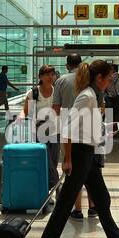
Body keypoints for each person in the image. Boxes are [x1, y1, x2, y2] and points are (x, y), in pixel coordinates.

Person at [33, 60, 119, 238]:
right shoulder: (87, 96)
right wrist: (68, 159)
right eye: (108, 79)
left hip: (87, 155)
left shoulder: (91, 96)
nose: (109, 83)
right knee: (63, 205)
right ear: (98, 78)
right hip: (79, 156)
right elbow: (68, 129)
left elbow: (85, 127)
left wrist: (106, 127)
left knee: (102, 199)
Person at [52, 53, 87, 219]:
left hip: (68, 129)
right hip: (88, 128)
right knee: (88, 166)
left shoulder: (61, 81)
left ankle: (76, 208)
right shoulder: (88, 79)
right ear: (80, 64)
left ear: (67, 65)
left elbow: (56, 108)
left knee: (69, 165)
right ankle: (93, 207)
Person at [22, 64, 61, 201]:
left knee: (53, 163)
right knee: (46, 162)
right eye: (47, 74)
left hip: (56, 131)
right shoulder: (34, 93)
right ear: (40, 77)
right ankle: (58, 188)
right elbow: (27, 112)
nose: (51, 77)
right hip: (39, 132)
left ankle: (47, 193)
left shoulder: (57, 92)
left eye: (52, 74)